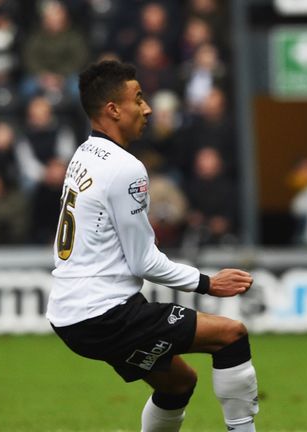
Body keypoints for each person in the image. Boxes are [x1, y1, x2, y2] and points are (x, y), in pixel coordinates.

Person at [46, 60, 260, 432]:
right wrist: (209, 283)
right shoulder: (126, 168)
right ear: (113, 109)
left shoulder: (83, 154)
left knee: (178, 383)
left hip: (71, 312)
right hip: (106, 313)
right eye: (139, 98)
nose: (147, 109)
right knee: (231, 335)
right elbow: (145, 262)